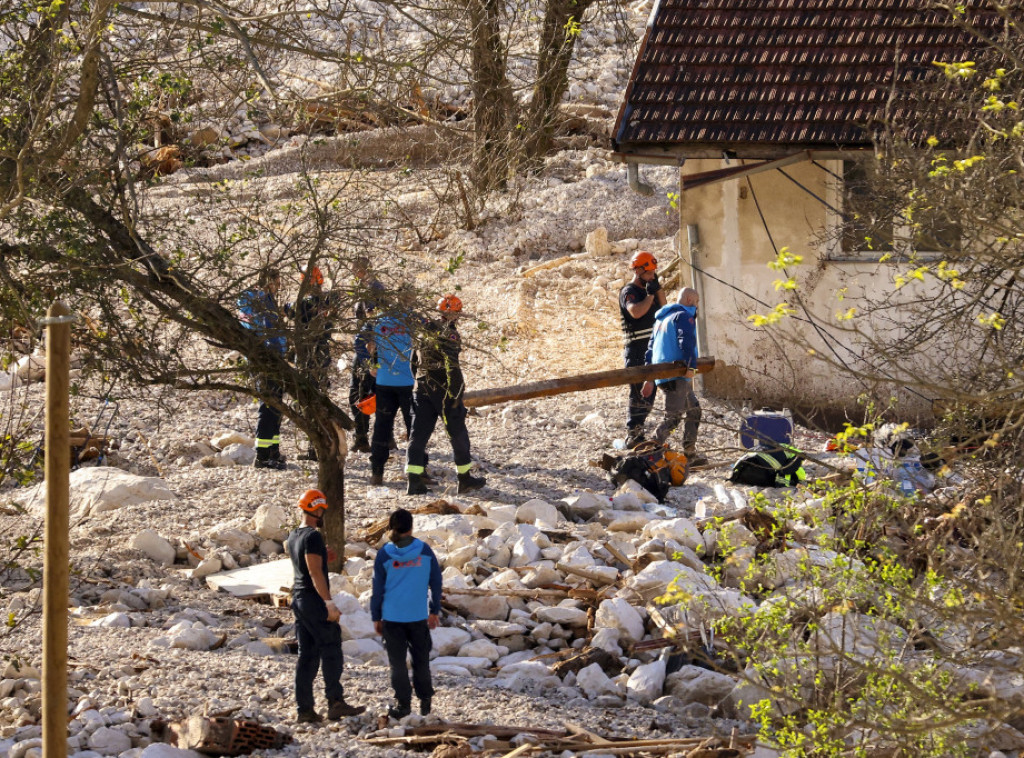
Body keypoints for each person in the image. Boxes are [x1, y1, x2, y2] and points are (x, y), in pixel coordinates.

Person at [284, 489, 366, 723]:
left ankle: (305, 709)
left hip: (298, 599)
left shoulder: (293, 536)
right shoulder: (313, 536)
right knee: (331, 645)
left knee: (307, 654)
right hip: (312, 599)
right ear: (316, 509)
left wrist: (322, 555)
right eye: (321, 510)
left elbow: (305, 563)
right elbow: (314, 571)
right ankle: (335, 702)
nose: (322, 514)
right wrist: (328, 603)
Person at [405, 295, 485, 495]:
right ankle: (464, 479)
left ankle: (413, 481)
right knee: (458, 434)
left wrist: (419, 382)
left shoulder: (424, 331)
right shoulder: (449, 334)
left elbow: (413, 362)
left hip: (421, 388)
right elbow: (452, 367)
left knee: (418, 435)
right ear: (454, 314)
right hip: (443, 391)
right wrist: (456, 395)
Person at [371, 508, 442, 720]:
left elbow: (377, 588)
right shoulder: (424, 551)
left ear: (391, 528)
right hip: (418, 616)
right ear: (412, 527)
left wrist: (376, 616)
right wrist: (434, 610)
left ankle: (403, 704)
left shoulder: (384, 553)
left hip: (392, 618)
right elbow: (436, 582)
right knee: (421, 660)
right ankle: (425, 701)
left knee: (398, 663)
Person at [641, 287, 707, 466]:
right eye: (696, 301)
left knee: (694, 410)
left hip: (664, 376)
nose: (697, 305)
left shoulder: (661, 319)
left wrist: (649, 379)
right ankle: (650, 453)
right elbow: (686, 341)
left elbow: (650, 350)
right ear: (689, 300)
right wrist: (691, 366)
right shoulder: (683, 316)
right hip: (677, 375)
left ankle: (689, 453)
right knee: (673, 418)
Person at [238, 268, 288, 470]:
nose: (279, 286)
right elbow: (264, 330)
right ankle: (263, 456)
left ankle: (273, 451)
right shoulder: (257, 299)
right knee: (269, 406)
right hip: (266, 360)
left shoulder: (263, 299)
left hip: (273, 358)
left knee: (275, 406)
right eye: (277, 281)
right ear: (270, 281)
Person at [367, 286, 416, 485]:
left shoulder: (381, 319)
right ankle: (416, 473)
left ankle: (376, 473)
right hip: (407, 382)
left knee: (381, 427)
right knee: (414, 428)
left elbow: (369, 345)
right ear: (410, 299)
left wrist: (374, 364)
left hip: (384, 380)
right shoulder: (412, 320)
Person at [619, 251, 667, 449]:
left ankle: (640, 433)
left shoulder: (651, 290)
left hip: (653, 349)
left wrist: (658, 290)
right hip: (637, 350)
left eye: (653, 273)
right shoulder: (628, 292)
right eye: (648, 273)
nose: (651, 276)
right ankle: (634, 434)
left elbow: (664, 309)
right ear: (638, 271)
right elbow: (636, 312)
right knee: (639, 393)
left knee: (650, 393)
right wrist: (648, 295)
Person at [288, 266, 336, 461]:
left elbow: (291, 312)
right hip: (321, 355)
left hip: (309, 356)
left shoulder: (305, 303)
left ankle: (315, 447)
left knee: (309, 402)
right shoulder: (328, 300)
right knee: (318, 398)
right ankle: (318, 445)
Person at [348, 256, 384, 453]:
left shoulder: (373, 289)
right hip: (364, 347)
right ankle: (371, 436)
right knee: (364, 391)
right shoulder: (366, 288)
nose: (353, 273)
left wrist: (371, 351)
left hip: (368, 350)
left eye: (355, 269)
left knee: (363, 392)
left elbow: (373, 318)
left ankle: (363, 437)